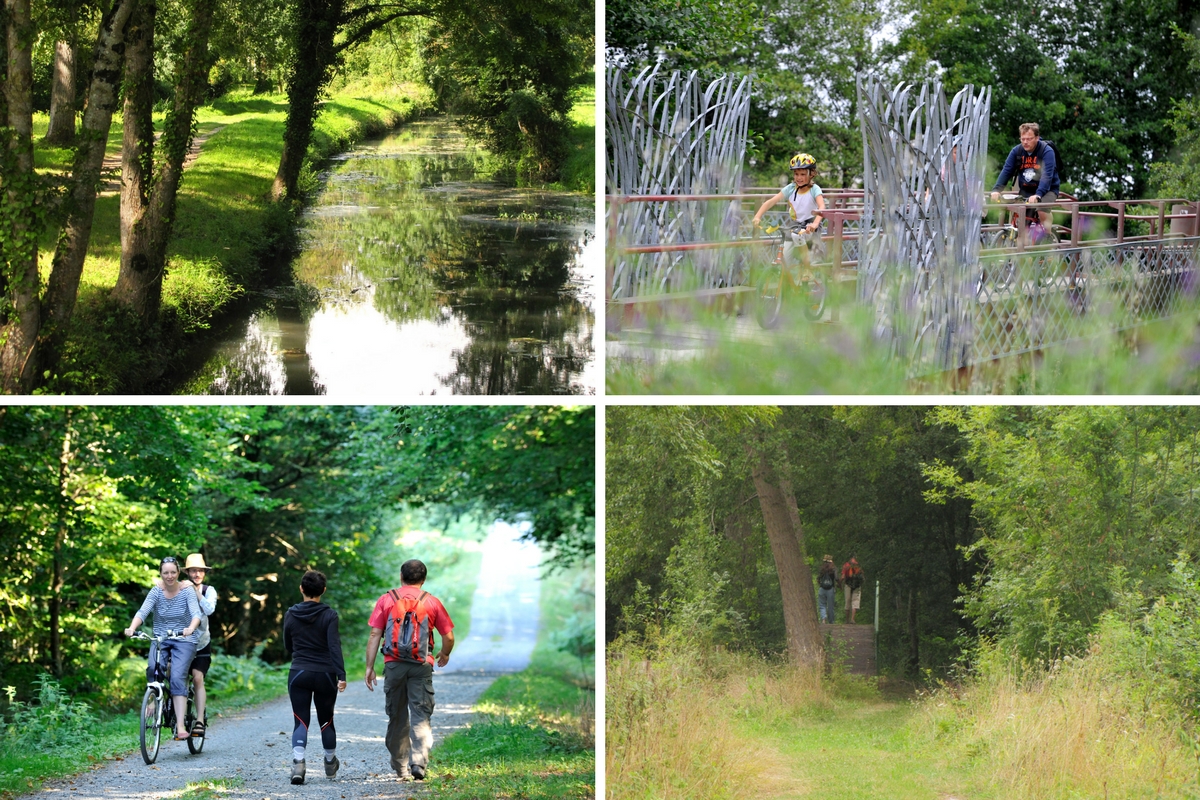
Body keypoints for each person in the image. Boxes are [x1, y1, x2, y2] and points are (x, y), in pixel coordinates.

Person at [364, 559, 455, 782]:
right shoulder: (432, 602)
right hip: (422, 665)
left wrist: (369, 666)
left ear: (401, 576)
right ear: (423, 579)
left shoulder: (386, 600)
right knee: (420, 714)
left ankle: (401, 766)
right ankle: (419, 763)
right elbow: (448, 636)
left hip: (393, 664)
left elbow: (375, 635)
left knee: (397, 716)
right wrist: (444, 654)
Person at [124, 556, 201, 741]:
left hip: (185, 639)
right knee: (153, 668)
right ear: (160, 574)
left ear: (178, 572)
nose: (170, 576)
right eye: (166, 572)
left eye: (173, 572)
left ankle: (181, 725)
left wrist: (191, 627)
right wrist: (132, 628)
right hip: (161, 638)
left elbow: (196, 613)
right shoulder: (156, 591)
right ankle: (153, 698)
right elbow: (143, 611)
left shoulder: (187, 591)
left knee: (177, 676)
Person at [283, 569, 347, 785]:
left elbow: (287, 645)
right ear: (324, 590)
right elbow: (334, 647)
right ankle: (330, 763)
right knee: (326, 719)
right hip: (325, 674)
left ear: (301, 589)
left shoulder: (291, 614)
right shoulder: (330, 615)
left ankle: (299, 764)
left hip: (299, 672)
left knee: (300, 719)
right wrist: (341, 674)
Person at [752, 152, 828, 274]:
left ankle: (807, 266)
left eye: (803, 174)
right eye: (796, 174)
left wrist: (814, 224)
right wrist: (757, 216)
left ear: (811, 174)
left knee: (798, 237)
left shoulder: (815, 189)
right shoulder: (791, 188)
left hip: (810, 226)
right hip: (795, 225)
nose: (799, 177)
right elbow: (771, 202)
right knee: (785, 259)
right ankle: (790, 286)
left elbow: (822, 207)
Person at [990, 122, 1059, 233]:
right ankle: (1020, 246)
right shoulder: (1016, 151)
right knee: (1021, 221)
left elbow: (1047, 175)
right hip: (1027, 188)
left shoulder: (1047, 151)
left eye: (1029, 139)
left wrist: (1039, 194)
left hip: (1048, 189)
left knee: (1042, 209)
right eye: (1023, 139)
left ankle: (1048, 237)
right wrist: (996, 190)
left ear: (1037, 138)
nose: (1025, 142)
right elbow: (1006, 171)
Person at [181, 554, 216, 738]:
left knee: (197, 678)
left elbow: (210, 609)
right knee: (173, 674)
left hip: (202, 644)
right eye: (193, 570)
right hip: (182, 643)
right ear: (187, 572)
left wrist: (196, 593)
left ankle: (200, 720)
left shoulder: (209, 590)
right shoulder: (180, 588)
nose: (197, 574)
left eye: (200, 570)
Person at [840, 556, 865, 624]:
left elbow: (843, 577)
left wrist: (839, 583)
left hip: (848, 585)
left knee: (848, 601)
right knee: (855, 602)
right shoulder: (859, 569)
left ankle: (847, 620)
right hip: (857, 587)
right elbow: (862, 579)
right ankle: (852, 619)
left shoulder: (846, 566)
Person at [817, 555, 838, 624]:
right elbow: (837, 578)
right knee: (830, 606)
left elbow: (818, 578)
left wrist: (820, 584)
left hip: (822, 589)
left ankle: (823, 619)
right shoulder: (833, 568)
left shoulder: (821, 569)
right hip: (830, 589)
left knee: (822, 605)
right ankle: (831, 621)